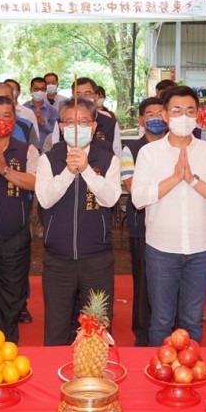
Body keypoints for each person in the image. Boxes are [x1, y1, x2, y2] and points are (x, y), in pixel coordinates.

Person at [131, 86, 206, 344]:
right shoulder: (149, 153)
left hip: (200, 249)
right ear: (165, 115)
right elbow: (139, 199)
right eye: (176, 111)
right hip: (162, 249)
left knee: (192, 320)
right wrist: (175, 178)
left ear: (198, 115)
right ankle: (159, 373)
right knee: (162, 320)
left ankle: (191, 375)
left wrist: (193, 180)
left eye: (189, 111)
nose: (183, 116)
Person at [35, 97, 120, 345]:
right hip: (58, 260)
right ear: (61, 127)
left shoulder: (107, 160)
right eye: (69, 122)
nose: (76, 127)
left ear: (94, 127)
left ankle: (97, 379)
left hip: (97, 258)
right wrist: (68, 172)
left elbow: (111, 198)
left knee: (98, 328)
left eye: (83, 122)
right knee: (57, 328)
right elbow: (45, 200)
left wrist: (86, 170)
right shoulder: (48, 159)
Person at [0, 95, 38, 343]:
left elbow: (36, 182)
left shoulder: (27, 150)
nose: (1, 121)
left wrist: (5, 171)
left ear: (14, 120)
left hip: (15, 238)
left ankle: (8, 349)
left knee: (11, 301)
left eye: (6, 116)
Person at [120, 97, 166, 346]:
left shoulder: (178, 148)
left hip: (171, 226)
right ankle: (143, 331)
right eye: (150, 114)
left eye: (161, 113)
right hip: (142, 226)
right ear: (141, 120)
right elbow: (132, 186)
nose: (156, 118)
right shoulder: (131, 150)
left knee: (170, 281)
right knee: (144, 279)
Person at [42, 77, 123, 156]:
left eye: (87, 94)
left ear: (96, 97)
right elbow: (56, 150)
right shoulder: (62, 122)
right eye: (78, 94)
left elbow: (117, 155)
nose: (83, 98)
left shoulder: (110, 124)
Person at [25, 76, 59, 146]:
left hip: (47, 149)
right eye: (36, 89)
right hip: (27, 149)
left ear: (46, 90)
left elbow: (56, 132)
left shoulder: (52, 110)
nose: (39, 92)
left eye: (42, 89)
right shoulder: (24, 109)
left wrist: (43, 123)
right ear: (31, 90)